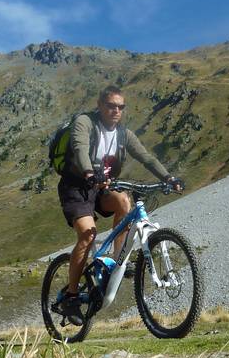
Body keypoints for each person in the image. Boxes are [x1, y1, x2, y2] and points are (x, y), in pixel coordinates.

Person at [56, 85, 183, 325]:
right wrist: (88, 172)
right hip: (76, 187)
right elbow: (80, 147)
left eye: (120, 107)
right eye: (111, 106)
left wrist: (168, 178)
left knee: (125, 201)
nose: (116, 111)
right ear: (100, 106)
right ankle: (71, 296)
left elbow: (146, 157)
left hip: (103, 187)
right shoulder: (85, 122)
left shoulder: (124, 134)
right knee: (87, 235)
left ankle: (117, 261)